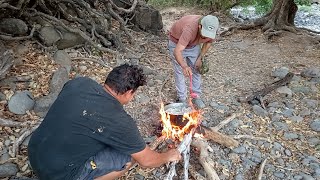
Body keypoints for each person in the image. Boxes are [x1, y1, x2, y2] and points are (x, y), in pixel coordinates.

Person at [28, 64, 181, 180]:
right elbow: (147, 161)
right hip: (59, 174)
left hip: (35, 152)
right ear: (129, 93)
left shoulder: (79, 83)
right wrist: (167, 156)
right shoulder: (120, 121)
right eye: (134, 94)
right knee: (129, 157)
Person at [168, 15, 219, 109]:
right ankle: (182, 99)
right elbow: (177, 51)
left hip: (194, 45)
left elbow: (208, 42)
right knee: (179, 71)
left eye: (209, 34)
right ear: (200, 26)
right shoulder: (190, 29)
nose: (206, 36)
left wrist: (200, 57)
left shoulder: (212, 27)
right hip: (177, 42)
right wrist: (184, 66)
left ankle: (196, 96)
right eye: (205, 33)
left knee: (197, 69)